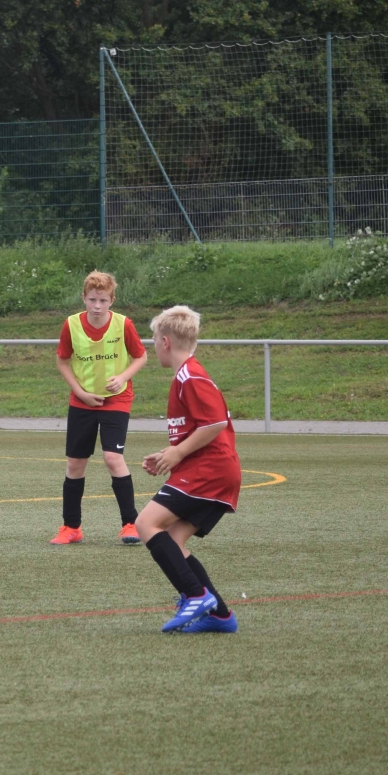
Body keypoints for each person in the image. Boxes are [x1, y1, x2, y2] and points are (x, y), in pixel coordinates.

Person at [133, 305, 240, 634]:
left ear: (165, 342)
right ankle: (220, 616)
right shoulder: (187, 375)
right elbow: (199, 428)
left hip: (210, 470)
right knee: (174, 539)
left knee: (145, 523)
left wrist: (178, 452)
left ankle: (195, 595)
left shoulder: (190, 376)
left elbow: (215, 423)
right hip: (213, 469)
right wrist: (169, 454)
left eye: (154, 340)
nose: (153, 346)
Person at [51, 271, 147, 545]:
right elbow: (62, 361)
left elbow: (141, 356)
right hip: (82, 402)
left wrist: (123, 377)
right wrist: (80, 393)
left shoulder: (123, 324)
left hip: (116, 400)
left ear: (112, 300)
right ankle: (71, 527)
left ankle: (131, 524)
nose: (97, 305)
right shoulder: (71, 325)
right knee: (75, 463)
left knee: (113, 458)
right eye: (92, 299)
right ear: (83, 298)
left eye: (103, 300)